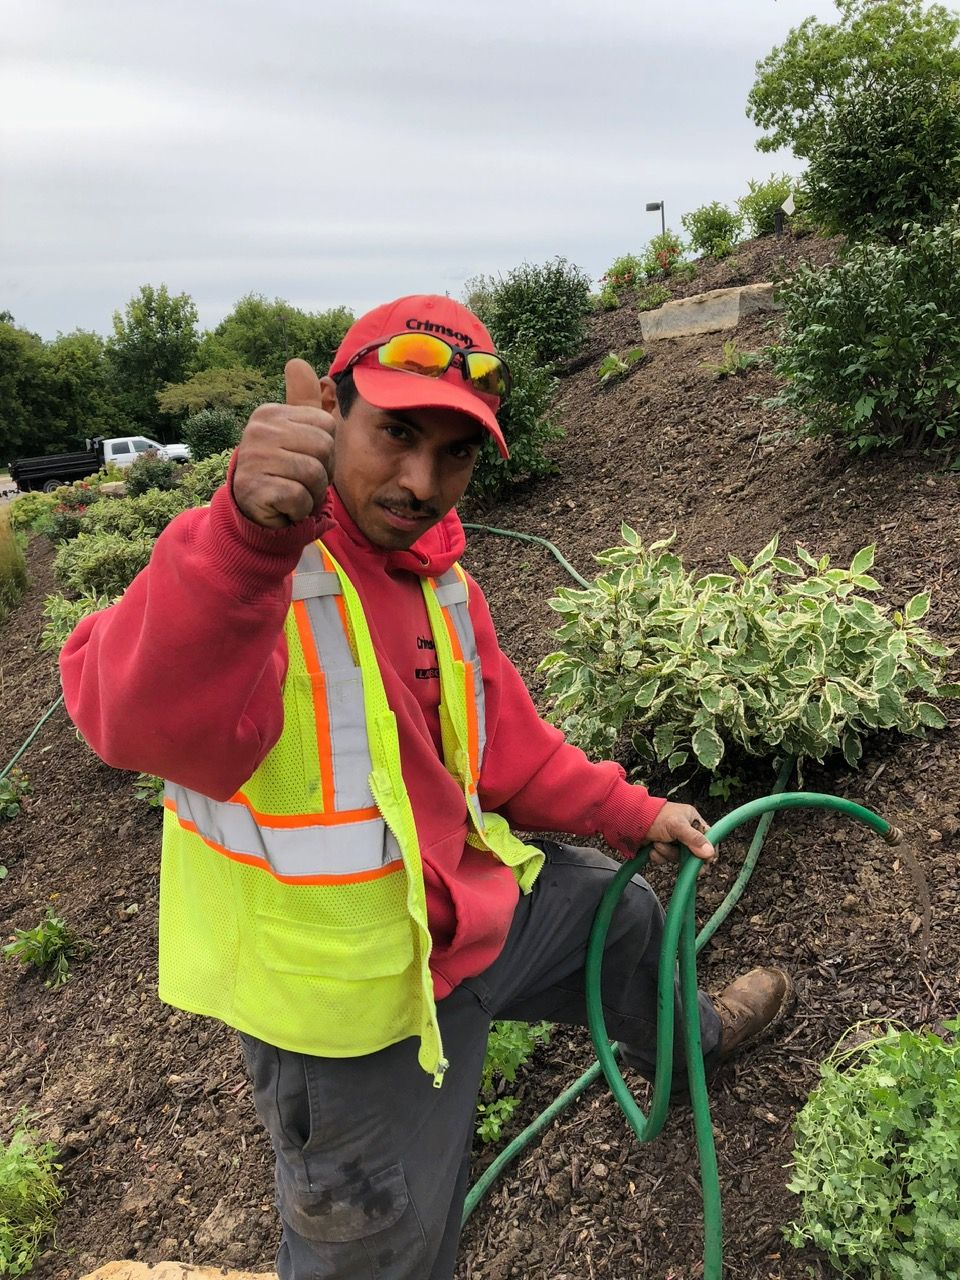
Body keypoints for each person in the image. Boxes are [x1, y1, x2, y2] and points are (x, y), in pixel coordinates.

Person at [60, 295, 793, 1280]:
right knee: (385, 1249)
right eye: (396, 433)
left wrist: (635, 811)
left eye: (453, 452)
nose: (420, 479)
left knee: (619, 918)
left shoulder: (441, 580)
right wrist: (240, 536)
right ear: (329, 406)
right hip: (354, 1009)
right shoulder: (249, 561)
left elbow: (511, 754)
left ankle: (692, 1041)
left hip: (469, 917)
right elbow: (126, 718)